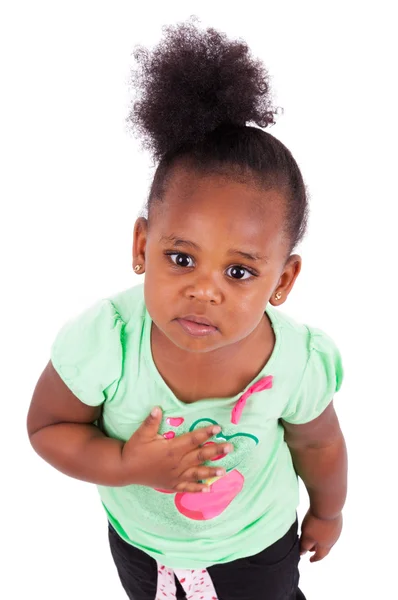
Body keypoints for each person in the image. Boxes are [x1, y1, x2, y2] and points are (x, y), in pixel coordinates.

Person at [27, 18, 347, 600]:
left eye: (239, 271)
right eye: (180, 259)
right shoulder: (108, 340)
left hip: (256, 548)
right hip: (142, 547)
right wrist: (128, 464)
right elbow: (48, 427)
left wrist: (328, 512)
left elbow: (319, 443)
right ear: (142, 247)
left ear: (283, 280)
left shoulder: (298, 358)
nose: (204, 291)